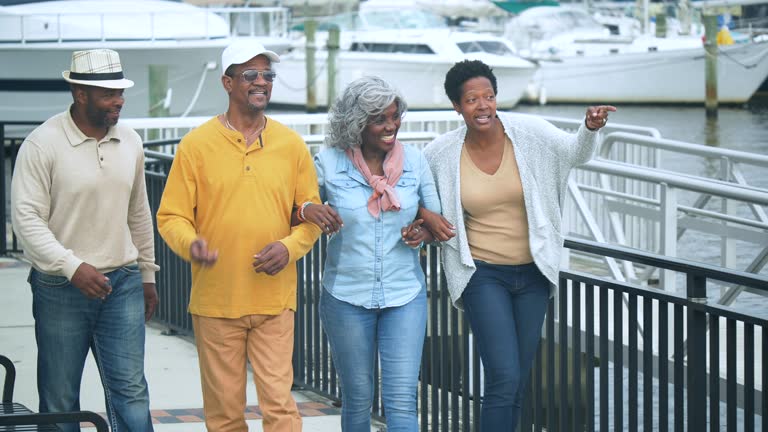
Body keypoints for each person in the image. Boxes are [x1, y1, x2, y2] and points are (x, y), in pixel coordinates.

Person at [419, 59, 616, 431]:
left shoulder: (530, 132)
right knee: (504, 377)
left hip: (534, 273)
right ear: (457, 106)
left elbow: (575, 152)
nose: (483, 106)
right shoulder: (440, 153)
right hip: (481, 275)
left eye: (489, 96)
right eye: (472, 99)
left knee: (518, 380)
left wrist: (589, 128)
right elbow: (416, 191)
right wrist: (426, 218)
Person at [156, 40, 322, 432]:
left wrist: (288, 247)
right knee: (224, 416)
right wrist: (189, 243)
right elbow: (171, 216)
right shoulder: (195, 145)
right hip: (215, 302)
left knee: (281, 409)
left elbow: (309, 215)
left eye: (267, 75)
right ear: (227, 82)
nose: (261, 82)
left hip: (274, 302)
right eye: (250, 75)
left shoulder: (291, 145)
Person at [10, 48, 159, 432]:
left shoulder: (131, 141)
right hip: (60, 287)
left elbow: (138, 213)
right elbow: (27, 221)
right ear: (80, 94)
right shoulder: (42, 144)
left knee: (131, 392)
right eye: (109, 94)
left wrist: (147, 276)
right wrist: (73, 267)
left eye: (120, 92)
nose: (119, 100)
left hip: (122, 284)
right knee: (60, 397)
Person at [298, 76, 439, 431]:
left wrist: (420, 232)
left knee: (402, 399)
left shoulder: (416, 162)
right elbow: (295, 207)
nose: (391, 126)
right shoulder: (328, 163)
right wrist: (309, 209)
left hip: (404, 294)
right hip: (345, 295)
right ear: (356, 124)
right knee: (358, 396)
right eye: (380, 119)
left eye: (395, 116)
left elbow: (434, 220)